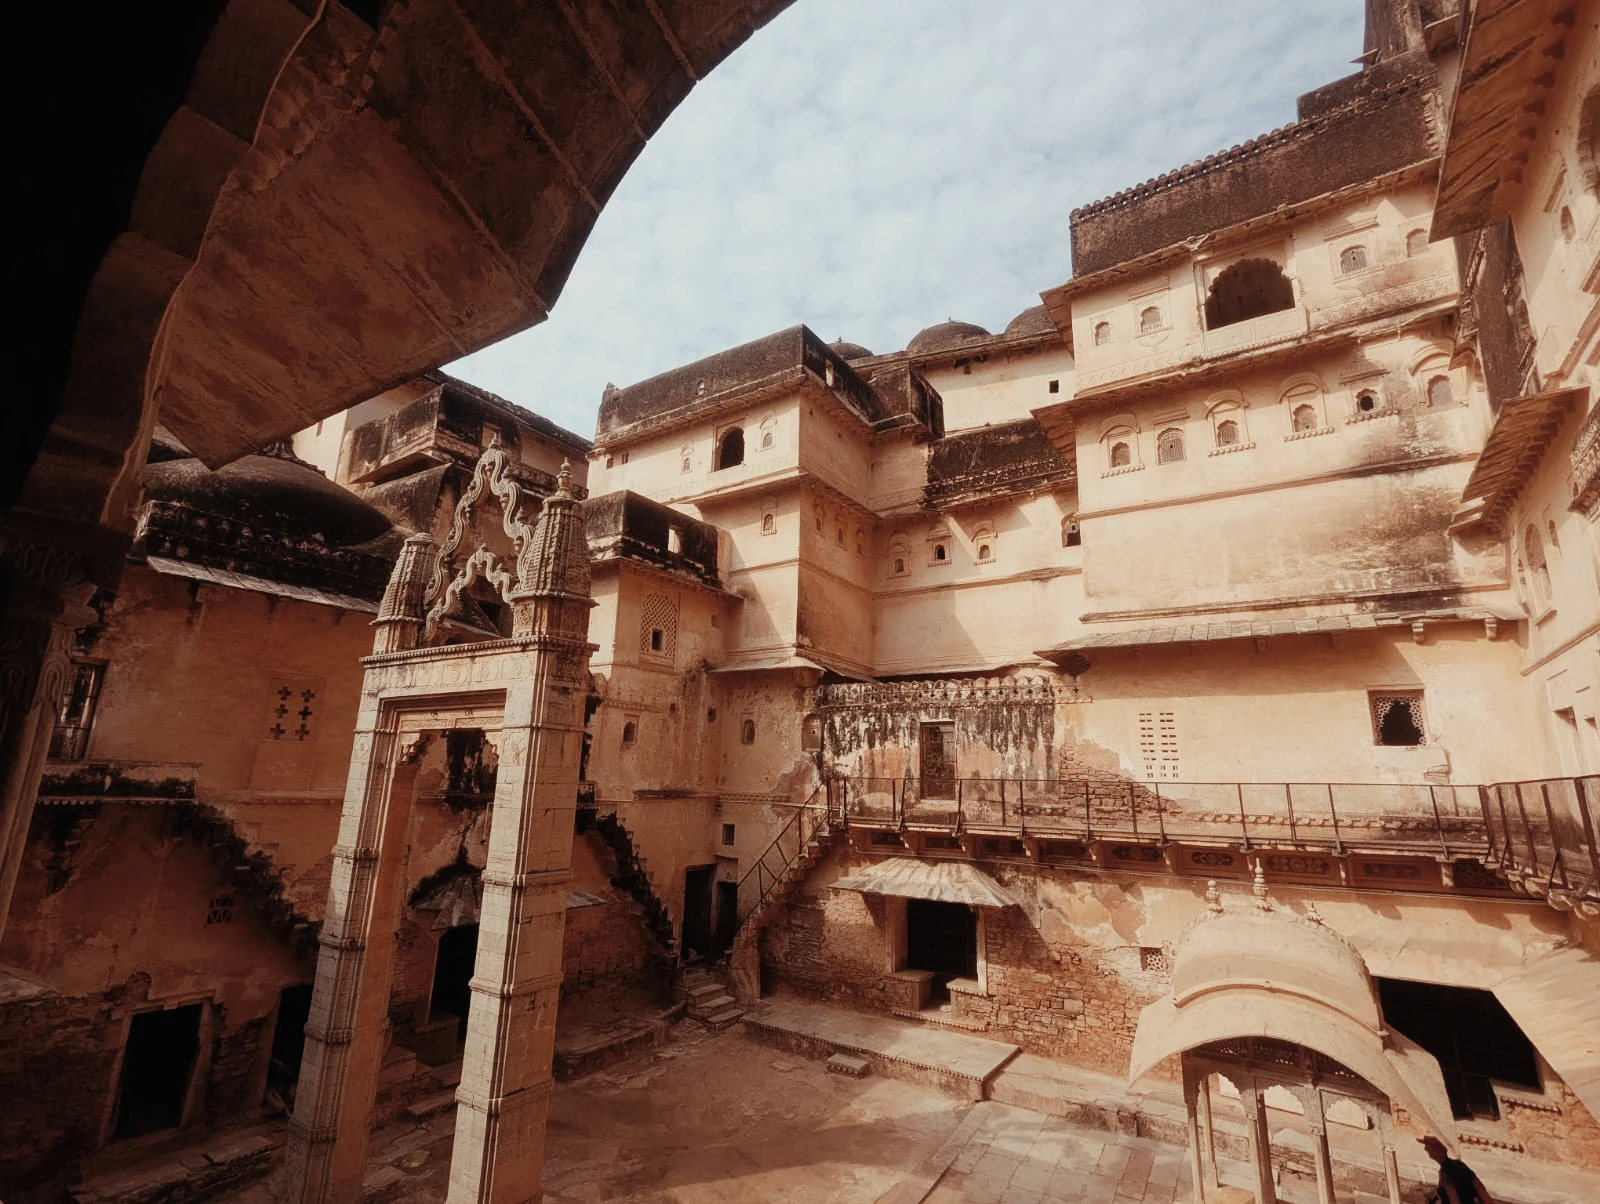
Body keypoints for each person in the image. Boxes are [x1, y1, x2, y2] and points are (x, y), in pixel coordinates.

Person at [1420, 1136, 1496, 1204]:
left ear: (1435, 1152)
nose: (1425, 1149)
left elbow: (1453, 1197)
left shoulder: (1445, 1173)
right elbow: (1478, 1186)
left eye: (1428, 1147)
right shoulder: (1459, 1164)